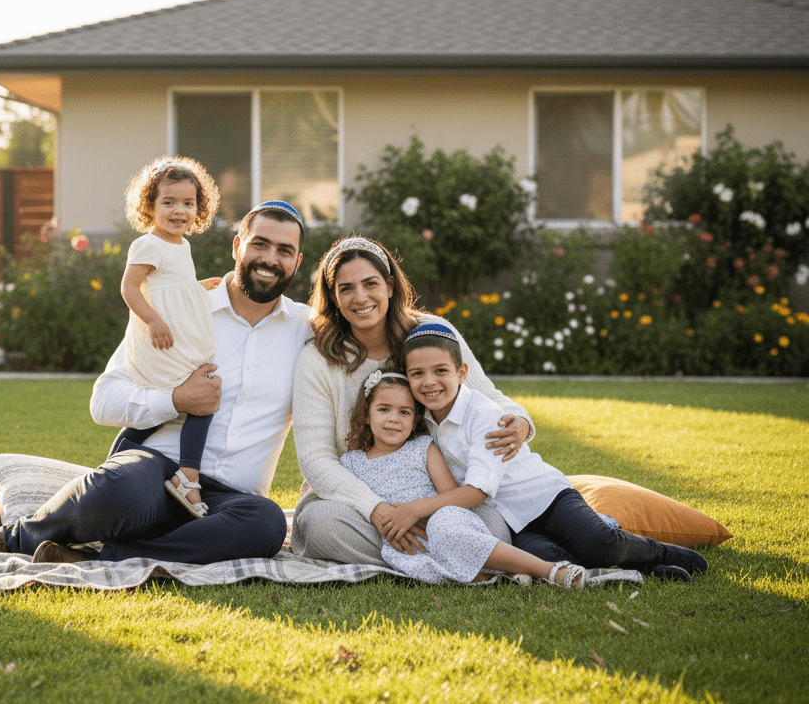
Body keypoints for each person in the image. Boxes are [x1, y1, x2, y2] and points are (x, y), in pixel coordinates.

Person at [0, 200, 309, 565]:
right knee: (123, 488)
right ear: (237, 246)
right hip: (156, 476)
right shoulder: (177, 307)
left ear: (297, 262)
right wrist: (177, 399)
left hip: (229, 501)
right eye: (259, 244)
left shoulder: (307, 331)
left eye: (284, 250)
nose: (269, 259)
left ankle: (110, 556)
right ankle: (19, 538)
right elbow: (104, 399)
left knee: (265, 525)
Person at [291, 235, 535, 567]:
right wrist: (381, 512)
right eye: (345, 288)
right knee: (319, 523)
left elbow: (491, 399)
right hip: (358, 505)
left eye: (370, 283)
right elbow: (316, 461)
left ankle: (434, 554)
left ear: (390, 285)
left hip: (441, 500)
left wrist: (518, 420)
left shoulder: (432, 332)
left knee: (493, 525)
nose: (360, 297)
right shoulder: (317, 358)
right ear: (333, 297)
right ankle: (448, 559)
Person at [402, 321, 708, 582]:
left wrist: (415, 509)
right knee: (553, 559)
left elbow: (478, 490)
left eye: (440, 370)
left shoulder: (484, 415)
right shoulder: (424, 421)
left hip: (547, 498)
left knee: (599, 544)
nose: (429, 382)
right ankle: (649, 569)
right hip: (514, 522)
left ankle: (662, 551)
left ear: (462, 372)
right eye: (417, 374)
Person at [342, 369, 588, 588]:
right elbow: (341, 495)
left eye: (404, 412)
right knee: (412, 561)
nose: (393, 418)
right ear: (366, 415)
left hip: (448, 523)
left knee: (445, 527)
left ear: (415, 419)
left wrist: (422, 514)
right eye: (383, 409)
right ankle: (495, 576)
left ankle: (549, 571)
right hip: (406, 543)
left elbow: (450, 494)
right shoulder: (351, 462)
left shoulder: (422, 447)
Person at [118, 156, 221, 518]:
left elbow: (170, 286)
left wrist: (197, 288)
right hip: (159, 341)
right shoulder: (147, 244)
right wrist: (152, 321)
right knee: (203, 395)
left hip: (174, 339)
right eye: (169, 202)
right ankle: (187, 477)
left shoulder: (181, 245)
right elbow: (130, 288)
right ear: (150, 206)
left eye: (188, 203)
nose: (180, 211)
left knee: (164, 410)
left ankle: (112, 465)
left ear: (199, 208)